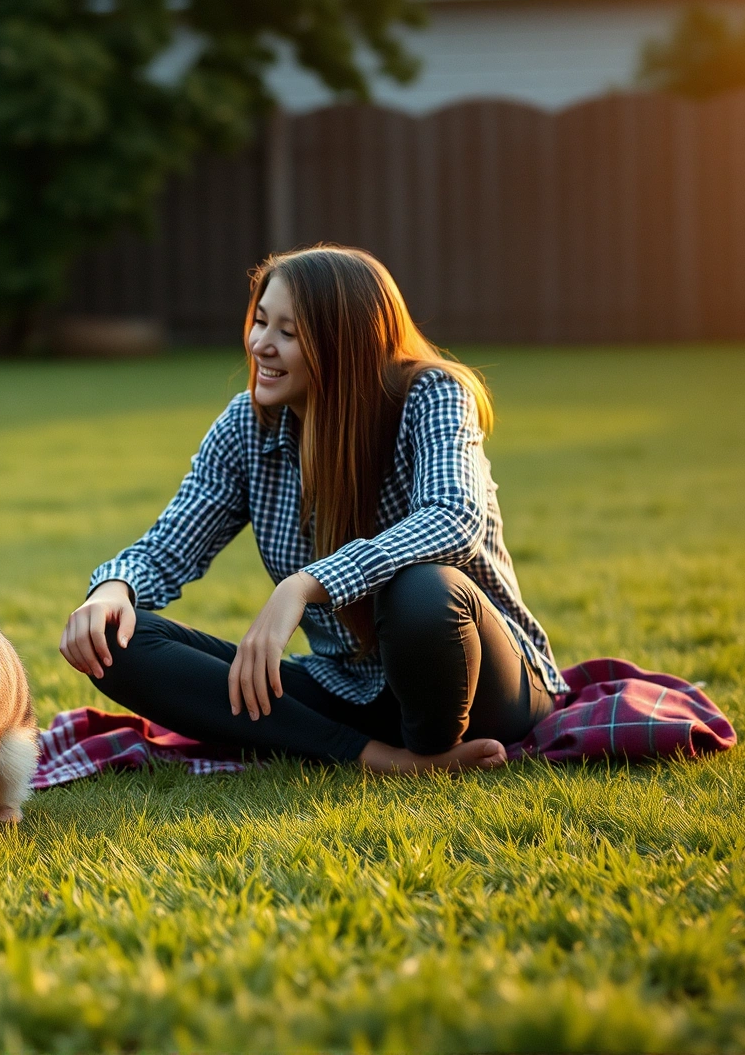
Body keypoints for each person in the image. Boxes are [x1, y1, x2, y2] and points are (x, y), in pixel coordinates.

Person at [59, 245, 565, 773]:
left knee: (420, 591)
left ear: (345, 343)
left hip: (478, 682)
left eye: (287, 332)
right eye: (259, 322)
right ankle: (378, 758)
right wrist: (112, 590)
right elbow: (169, 546)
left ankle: (431, 746)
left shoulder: (432, 394)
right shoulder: (247, 426)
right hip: (348, 687)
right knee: (121, 639)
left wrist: (305, 584)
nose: (260, 345)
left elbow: (452, 517)